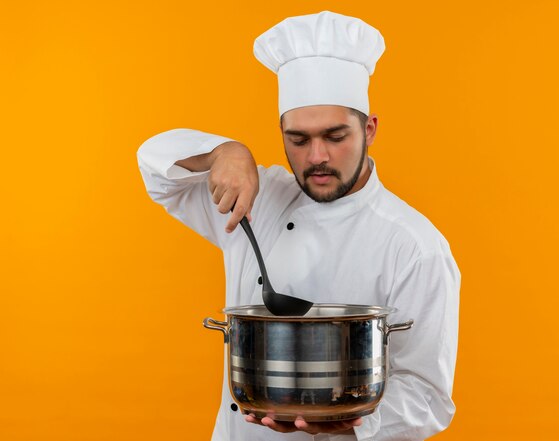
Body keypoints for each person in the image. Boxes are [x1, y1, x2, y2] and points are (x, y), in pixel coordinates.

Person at [137, 10, 460, 441]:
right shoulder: (257, 197)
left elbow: (428, 396)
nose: (317, 157)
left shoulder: (414, 245)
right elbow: (154, 167)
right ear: (282, 132)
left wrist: (349, 424)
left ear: (370, 129)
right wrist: (224, 152)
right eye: (299, 139)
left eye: (335, 136)